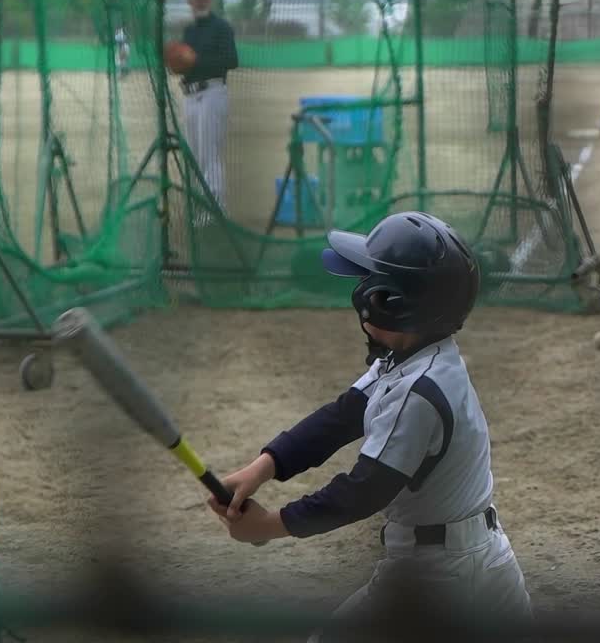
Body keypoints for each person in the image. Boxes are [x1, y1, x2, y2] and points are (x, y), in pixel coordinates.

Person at [206, 211, 534, 640]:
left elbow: (364, 490)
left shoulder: (418, 391)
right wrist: (263, 466)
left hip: (440, 577)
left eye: (372, 285)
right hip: (478, 562)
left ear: (394, 303)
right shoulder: (414, 358)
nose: (360, 293)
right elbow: (341, 416)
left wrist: (271, 525)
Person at [177, 0, 237, 224]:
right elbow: (187, 66)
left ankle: (214, 210)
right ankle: (199, 206)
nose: (200, 0)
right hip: (190, 95)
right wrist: (179, 67)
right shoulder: (189, 31)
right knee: (194, 154)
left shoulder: (221, 27)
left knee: (209, 153)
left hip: (212, 93)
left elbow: (231, 61)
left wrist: (195, 62)